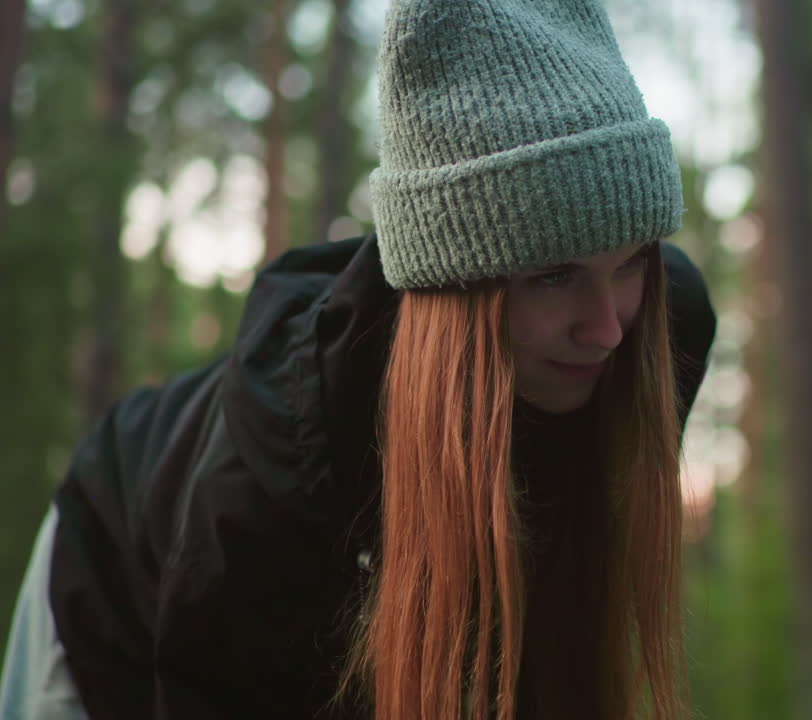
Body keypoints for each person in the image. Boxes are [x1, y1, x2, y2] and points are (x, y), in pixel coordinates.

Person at [0, 0, 717, 717]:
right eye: (553, 276)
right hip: (105, 594)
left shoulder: (662, 328)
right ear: (454, 303)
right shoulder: (269, 500)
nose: (606, 330)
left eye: (630, 264)